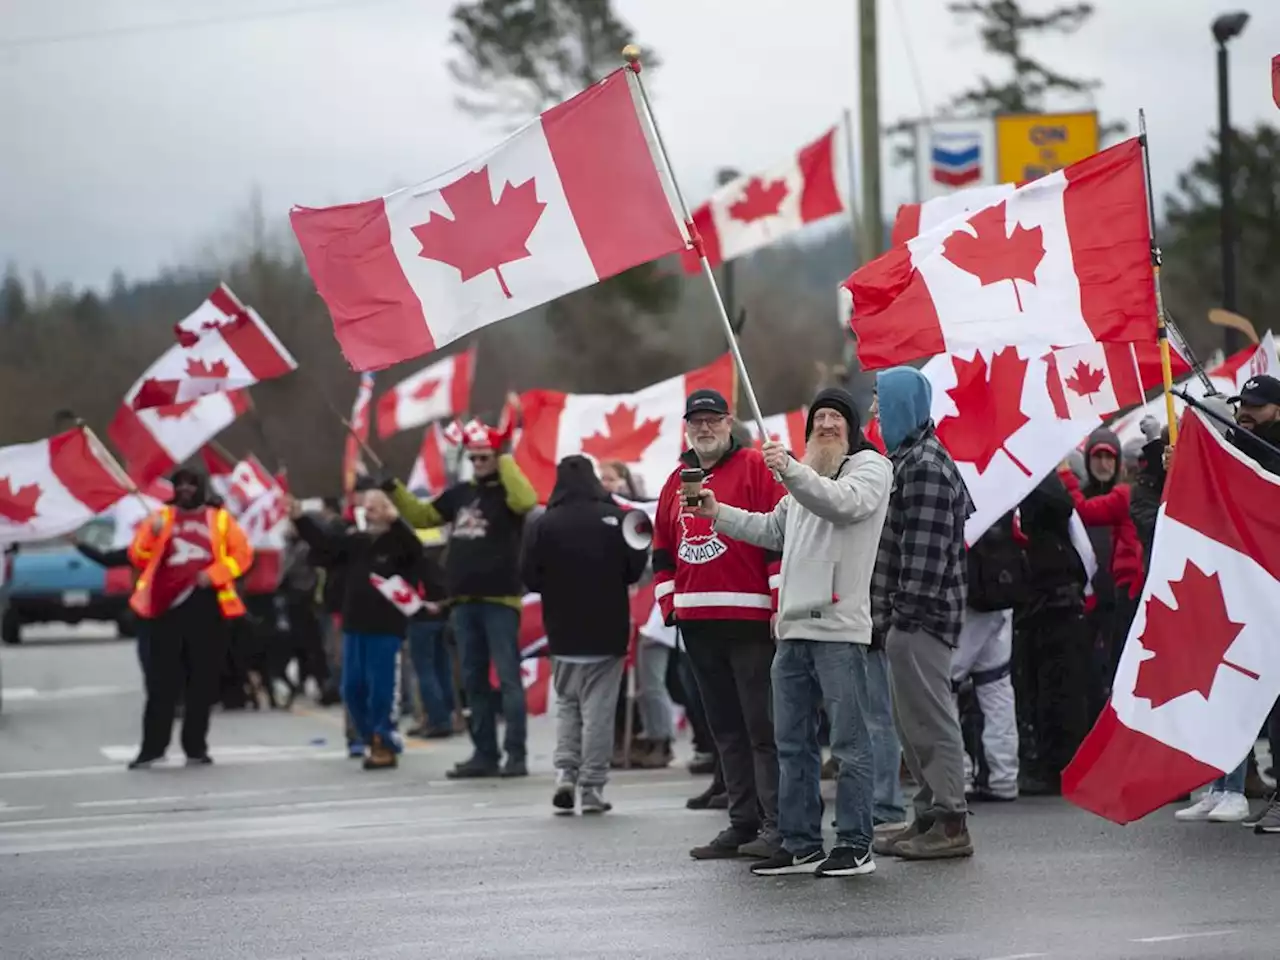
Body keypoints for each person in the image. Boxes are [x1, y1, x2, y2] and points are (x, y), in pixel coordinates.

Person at [695, 387, 892, 878]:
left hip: (840, 631)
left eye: (835, 418)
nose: (826, 424)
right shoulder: (803, 481)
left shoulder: (869, 470)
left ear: (852, 429)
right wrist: (716, 513)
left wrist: (790, 470)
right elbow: (771, 530)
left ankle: (855, 844)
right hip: (793, 630)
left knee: (849, 744)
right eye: (818, 418)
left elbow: (843, 505)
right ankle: (801, 842)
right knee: (791, 743)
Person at [653, 389, 784, 861]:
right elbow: (662, 551)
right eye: (696, 421)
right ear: (686, 427)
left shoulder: (754, 468)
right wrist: (671, 607)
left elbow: (777, 539)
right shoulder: (675, 482)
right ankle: (741, 821)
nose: (704, 428)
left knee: (761, 726)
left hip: (749, 620)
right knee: (725, 729)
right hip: (697, 623)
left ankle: (776, 824)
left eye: (713, 420)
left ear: (729, 424)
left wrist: (776, 604)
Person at [386, 417, 538, 778]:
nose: (478, 463)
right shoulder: (460, 494)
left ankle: (515, 755)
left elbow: (527, 500)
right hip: (464, 602)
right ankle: (484, 754)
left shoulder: (508, 491)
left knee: (507, 679)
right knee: (472, 681)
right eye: (474, 457)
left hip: (500, 601)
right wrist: (394, 489)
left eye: (485, 456)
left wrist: (503, 459)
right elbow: (423, 517)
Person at [869, 368, 975, 861]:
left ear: (902, 405)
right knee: (912, 724)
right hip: (910, 619)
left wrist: (899, 616)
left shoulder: (925, 465)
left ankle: (951, 821)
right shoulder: (909, 459)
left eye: (880, 401)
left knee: (930, 721)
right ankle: (929, 814)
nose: (874, 411)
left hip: (920, 620)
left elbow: (926, 559)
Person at [521, 456, 648, 814]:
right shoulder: (616, 519)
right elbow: (634, 570)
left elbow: (530, 577)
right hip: (607, 629)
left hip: (562, 631)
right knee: (599, 712)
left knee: (567, 705)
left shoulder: (543, 523)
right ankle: (592, 788)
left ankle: (565, 773)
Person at [126, 468, 253, 769]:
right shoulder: (160, 518)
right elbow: (137, 556)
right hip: (163, 609)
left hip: (207, 608)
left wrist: (215, 575)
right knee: (161, 684)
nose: (185, 489)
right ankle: (152, 748)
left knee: (202, 683)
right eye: (179, 484)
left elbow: (243, 556)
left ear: (202, 488)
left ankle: (195, 746)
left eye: (191, 484)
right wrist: (151, 535)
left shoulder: (220, 520)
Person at [293, 484, 423, 770]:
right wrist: (300, 519)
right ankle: (369, 737)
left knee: (382, 690)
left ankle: (384, 739)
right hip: (355, 625)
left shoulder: (399, 542)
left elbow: (416, 551)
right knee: (351, 688)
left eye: (376, 505)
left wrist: (396, 521)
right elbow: (324, 544)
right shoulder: (356, 541)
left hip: (386, 627)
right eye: (367, 506)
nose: (370, 510)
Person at [1013, 474, 1090, 796]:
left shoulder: (1037, 493)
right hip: (1059, 603)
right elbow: (1087, 558)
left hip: (1048, 606)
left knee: (1052, 693)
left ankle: (1055, 765)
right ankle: (1063, 763)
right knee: (1060, 692)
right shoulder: (1055, 499)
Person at [1058, 428, 1144, 714]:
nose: (1104, 464)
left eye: (1110, 457)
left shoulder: (1126, 495)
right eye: (1098, 456)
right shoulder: (1096, 498)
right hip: (1091, 603)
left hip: (1123, 597)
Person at [952, 516, 1022, 803]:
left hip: (965, 599)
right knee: (997, 686)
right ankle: (1003, 776)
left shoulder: (959, 478)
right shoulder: (1006, 481)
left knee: (943, 688)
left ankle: (958, 774)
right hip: (1000, 592)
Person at [404, 527, 454, 739]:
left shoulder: (412, 551)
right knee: (442, 667)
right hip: (442, 613)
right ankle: (447, 715)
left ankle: (436, 718)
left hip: (421, 616)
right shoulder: (442, 546)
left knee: (425, 670)